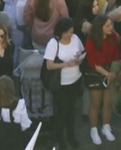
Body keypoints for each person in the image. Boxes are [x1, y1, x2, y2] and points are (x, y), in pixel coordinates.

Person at [43, 16, 84, 150]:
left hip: (75, 80)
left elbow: (82, 53)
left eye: (72, 31)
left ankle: (71, 136)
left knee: (72, 111)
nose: (70, 35)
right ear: (61, 32)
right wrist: (66, 64)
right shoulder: (53, 43)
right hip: (61, 84)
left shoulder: (76, 39)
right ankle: (61, 141)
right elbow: (49, 65)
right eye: (68, 32)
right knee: (61, 113)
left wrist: (79, 60)